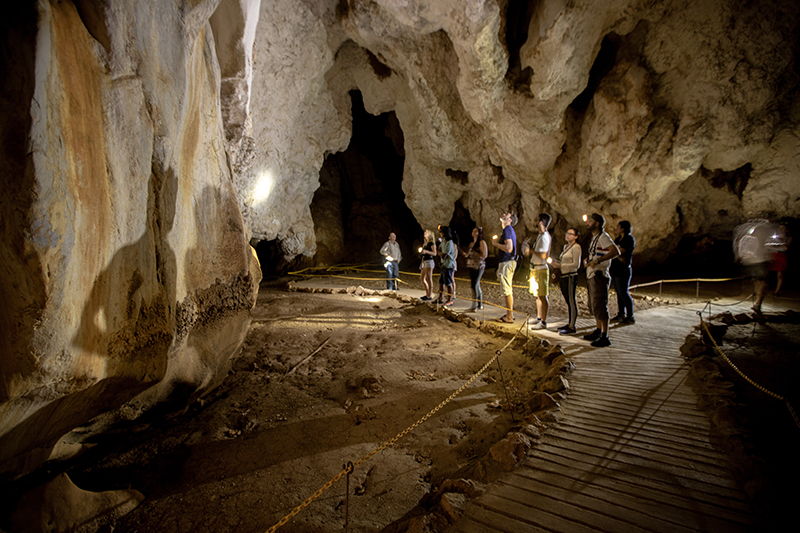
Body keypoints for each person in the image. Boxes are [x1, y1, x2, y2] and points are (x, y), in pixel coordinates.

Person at [583, 213, 619, 347]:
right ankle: (598, 330)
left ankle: (605, 335)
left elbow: (615, 251)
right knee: (595, 306)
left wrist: (598, 260)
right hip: (592, 274)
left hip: (599, 275)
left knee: (600, 305)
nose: (588, 223)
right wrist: (589, 260)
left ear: (597, 223)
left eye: (590, 221)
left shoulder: (603, 237)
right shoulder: (595, 238)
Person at [734, 219, 775, 313]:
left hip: (755, 262)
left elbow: (743, 250)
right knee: (760, 282)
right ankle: (758, 302)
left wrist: (741, 258)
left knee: (758, 282)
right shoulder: (759, 238)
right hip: (759, 261)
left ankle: (758, 301)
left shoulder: (749, 238)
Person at [523, 213, 552, 330]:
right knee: (537, 295)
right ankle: (539, 317)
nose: (535, 222)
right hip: (535, 268)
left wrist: (531, 251)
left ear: (540, 222)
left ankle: (544, 322)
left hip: (541, 268)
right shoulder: (540, 236)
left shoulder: (545, 237)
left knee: (542, 295)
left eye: (537, 220)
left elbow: (543, 255)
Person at [551, 227, 581, 335]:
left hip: (570, 276)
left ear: (576, 237)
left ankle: (572, 326)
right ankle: (569, 323)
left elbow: (576, 265)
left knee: (571, 301)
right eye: (567, 233)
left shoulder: (576, 248)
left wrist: (561, 265)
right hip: (563, 276)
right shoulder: (565, 247)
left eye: (570, 234)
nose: (567, 235)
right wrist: (556, 263)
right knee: (568, 301)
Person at [492, 212, 518, 323]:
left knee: (507, 290)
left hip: (507, 262)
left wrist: (495, 244)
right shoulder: (509, 230)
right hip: (507, 262)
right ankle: (509, 313)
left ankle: (509, 316)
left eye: (506, 215)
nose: (503, 214)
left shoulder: (507, 229)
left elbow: (509, 248)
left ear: (510, 219)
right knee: (508, 289)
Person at [610, 220, 636, 324]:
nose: (616, 228)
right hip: (616, 268)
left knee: (624, 292)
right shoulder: (618, 239)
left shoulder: (629, 239)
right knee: (618, 292)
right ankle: (621, 314)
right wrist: (617, 254)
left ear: (623, 228)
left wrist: (616, 253)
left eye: (618, 226)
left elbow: (619, 251)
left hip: (623, 270)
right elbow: (613, 250)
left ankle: (630, 316)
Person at [462, 226, 488, 311]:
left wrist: (476, 252)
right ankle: (479, 304)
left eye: (476, 231)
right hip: (471, 265)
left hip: (479, 266)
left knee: (475, 284)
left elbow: (484, 255)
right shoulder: (472, 243)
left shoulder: (482, 242)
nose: (474, 232)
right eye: (473, 231)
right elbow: (469, 254)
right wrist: (465, 254)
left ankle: (475, 305)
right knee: (475, 285)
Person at [437, 226, 457, 306]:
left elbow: (444, 255)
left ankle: (450, 299)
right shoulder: (443, 242)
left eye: (441, 232)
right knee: (441, 282)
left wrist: (441, 253)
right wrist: (441, 253)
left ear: (444, 233)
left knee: (448, 283)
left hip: (448, 265)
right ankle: (440, 298)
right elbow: (439, 252)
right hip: (443, 265)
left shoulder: (449, 243)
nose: (440, 233)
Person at [771, 221, 791, 296]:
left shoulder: (788, 237)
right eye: (779, 228)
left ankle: (777, 291)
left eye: (782, 228)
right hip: (773, 254)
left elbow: (786, 247)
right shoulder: (775, 235)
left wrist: (780, 241)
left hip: (782, 255)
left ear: (786, 229)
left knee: (779, 275)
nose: (780, 230)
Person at [419, 229, 437, 300]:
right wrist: (422, 262)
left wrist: (426, 251)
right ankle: (427, 294)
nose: (424, 233)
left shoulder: (431, 243)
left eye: (426, 232)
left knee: (429, 279)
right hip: (425, 262)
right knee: (422, 278)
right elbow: (423, 254)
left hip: (429, 262)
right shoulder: (425, 243)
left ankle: (429, 295)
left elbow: (434, 253)